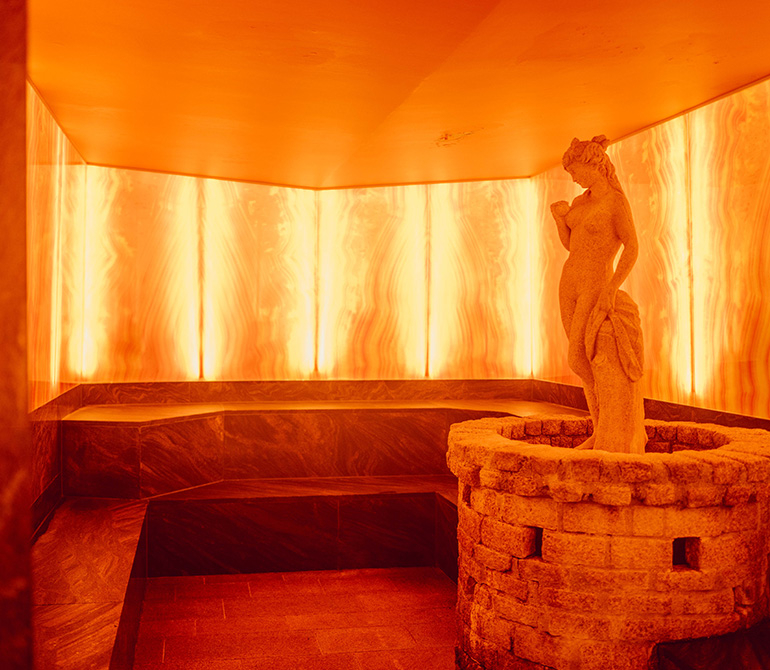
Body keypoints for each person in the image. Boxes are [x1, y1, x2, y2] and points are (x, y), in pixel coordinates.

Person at [550, 136, 643, 448]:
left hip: (594, 282)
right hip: (569, 281)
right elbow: (571, 245)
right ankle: (600, 428)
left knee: (579, 358)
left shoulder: (614, 203)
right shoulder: (581, 202)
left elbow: (632, 246)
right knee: (582, 364)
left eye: (576, 172)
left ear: (594, 166)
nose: (574, 179)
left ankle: (609, 428)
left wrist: (613, 287)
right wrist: (560, 221)